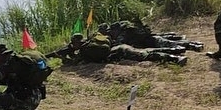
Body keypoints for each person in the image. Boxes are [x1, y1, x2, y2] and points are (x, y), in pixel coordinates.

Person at [0, 44, 52, 110]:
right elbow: (7, 80)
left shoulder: (4, 68)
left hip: (25, 104)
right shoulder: (18, 60)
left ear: (2, 55)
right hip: (36, 97)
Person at [52, 33, 187, 66]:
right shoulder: (92, 40)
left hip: (120, 52)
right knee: (147, 51)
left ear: (75, 43)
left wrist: (62, 58)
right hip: (118, 48)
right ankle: (175, 51)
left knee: (146, 55)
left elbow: (75, 63)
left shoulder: (85, 51)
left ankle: (175, 58)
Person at [99, 20, 204, 52]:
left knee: (168, 43)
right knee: (167, 41)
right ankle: (194, 44)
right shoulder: (122, 25)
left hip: (147, 40)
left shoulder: (119, 33)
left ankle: (194, 46)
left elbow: (120, 43)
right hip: (146, 36)